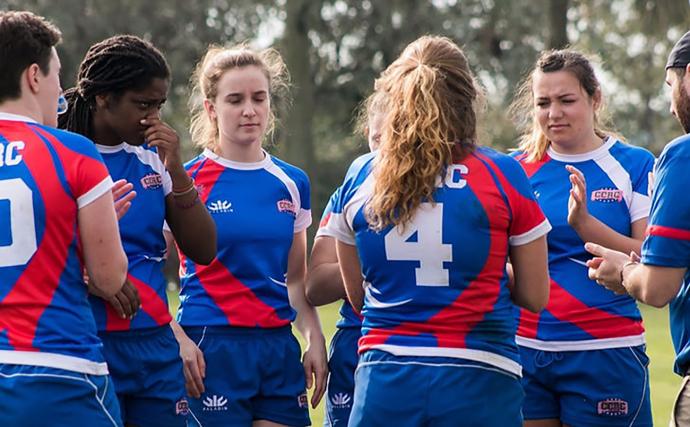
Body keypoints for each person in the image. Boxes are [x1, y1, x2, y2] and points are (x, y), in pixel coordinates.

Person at [323, 35, 551, 427]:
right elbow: (534, 294)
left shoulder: (362, 174)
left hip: (385, 379)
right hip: (480, 376)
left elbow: (358, 298)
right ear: (468, 98)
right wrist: (490, 272)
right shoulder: (502, 174)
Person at [58, 35, 217, 427]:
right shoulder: (62, 155)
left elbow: (204, 249)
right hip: (87, 339)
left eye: (159, 105)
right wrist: (92, 273)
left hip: (153, 346)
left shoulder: (152, 159)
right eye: (142, 104)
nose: (152, 118)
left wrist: (176, 168)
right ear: (102, 98)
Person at [169, 44, 328, 427]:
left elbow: (295, 280)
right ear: (211, 108)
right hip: (210, 346)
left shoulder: (292, 183)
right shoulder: (184, 180)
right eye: (235, 99)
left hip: (276, 348)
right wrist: (177, 337)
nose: (249, 110)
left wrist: (314, 337)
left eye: (259, 98)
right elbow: (149, 271)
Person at [508, 49, 655, 426]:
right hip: (526, 351)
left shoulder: (634, 165)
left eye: (566, 100)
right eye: (543, 103)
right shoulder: (513, 169)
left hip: (606, 351)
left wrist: (586, 224)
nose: (553, 113)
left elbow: (652, 257)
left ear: (595, 99)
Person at [0, 11, 127, 426]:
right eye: (57, 75)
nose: (62, 89)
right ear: (34, 76)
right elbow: (109, 281)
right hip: (58, 369)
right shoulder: (74, 152)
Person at [586, 30, 690, 427]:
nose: (670, 106)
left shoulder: (683, 156)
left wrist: (624, 271)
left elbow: (657, 288)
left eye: (670, 87)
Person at [305, 91, 384, 427]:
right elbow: (316, 283)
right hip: (356, 339)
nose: (383, 150)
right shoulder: (355, 184)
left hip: (420, 346)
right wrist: (375, 265)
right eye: (376, 138)